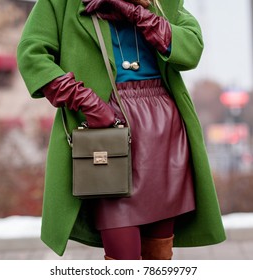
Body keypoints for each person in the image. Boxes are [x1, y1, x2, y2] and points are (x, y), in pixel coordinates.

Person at [17, 0, 226, 260]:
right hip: (105, 131)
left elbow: (191, 49)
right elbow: (31, 54)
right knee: (122, 257)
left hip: (164, 126)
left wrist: (135, 12)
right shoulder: (61, 3)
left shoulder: (162, 2)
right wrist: (85, 101)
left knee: (159, 256)